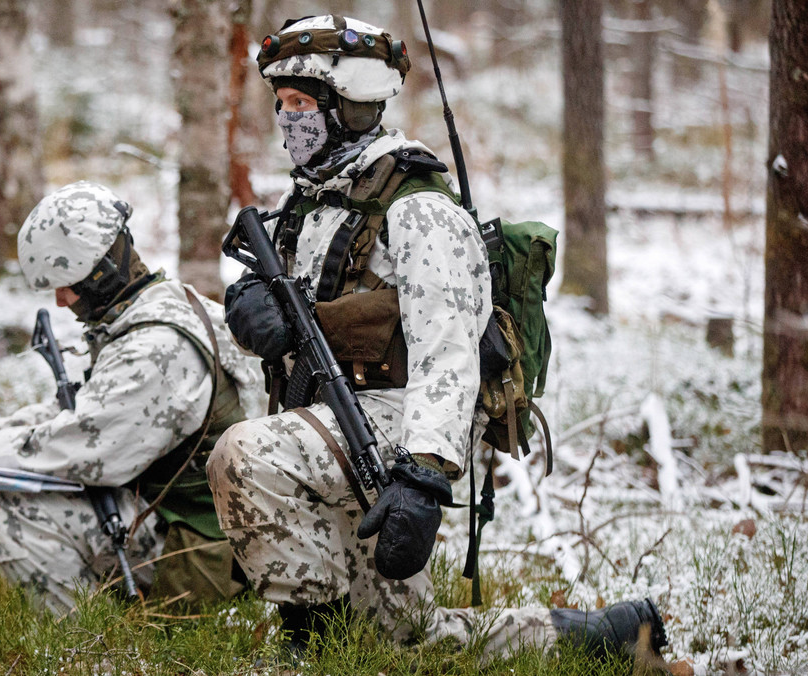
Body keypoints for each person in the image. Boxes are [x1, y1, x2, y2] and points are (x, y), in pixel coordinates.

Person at [210, 14, 668, 662]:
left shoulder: (418, 207)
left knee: (246, 456)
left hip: (399, 426)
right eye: (281, 105)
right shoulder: (312, 201)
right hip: (328, 420)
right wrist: (248, 305)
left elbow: (449, 353)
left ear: (350, 104)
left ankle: (310, 643)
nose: (289, 121)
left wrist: (424, 475)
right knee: (407, 642)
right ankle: (607, 638)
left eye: (302, 104)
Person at [0, 181, 265, 613]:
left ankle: (84, 649)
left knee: (21, 515)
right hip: (213, 525)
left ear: (101, 271)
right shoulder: (168, 303)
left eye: (68, 284)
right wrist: (8, 430)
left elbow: (89, 451)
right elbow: (93, 407)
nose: (61, 302)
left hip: (209, 548)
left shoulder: (155, 347)